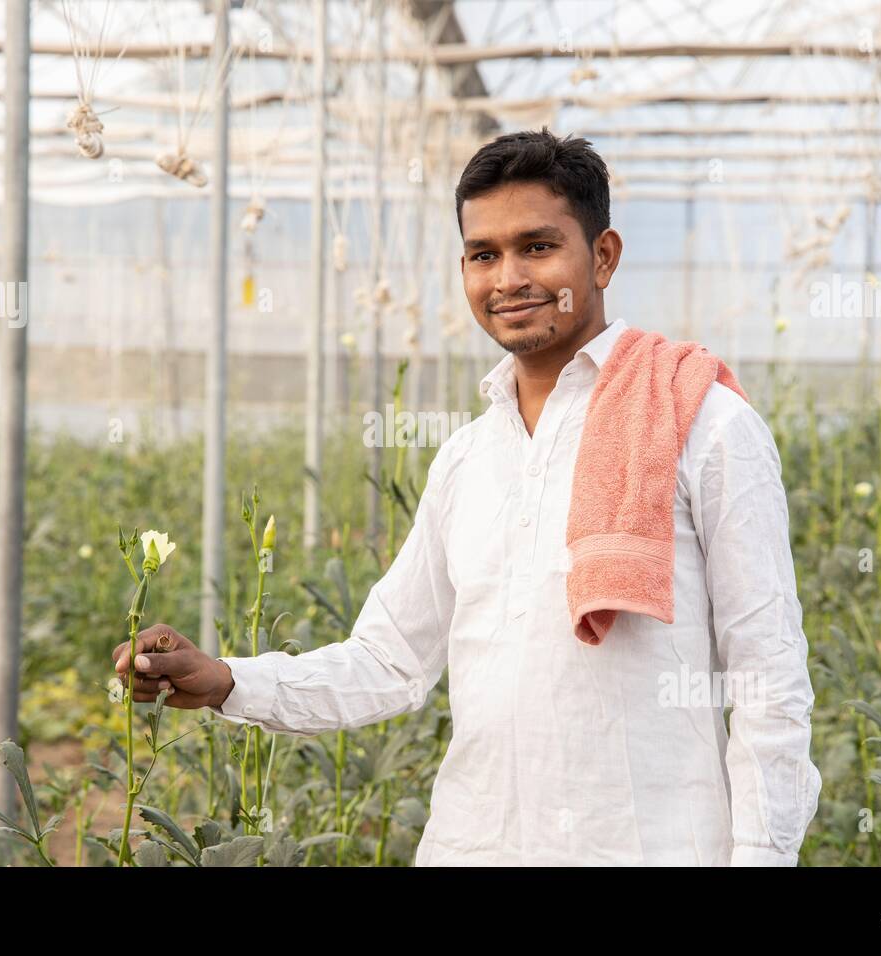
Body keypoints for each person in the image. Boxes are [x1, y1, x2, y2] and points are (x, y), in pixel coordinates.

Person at [113, 128, 822, 866]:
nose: (508, 277)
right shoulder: (466, 458)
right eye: (484, 255)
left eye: (538, 247)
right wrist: (231, 681)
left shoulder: (703, 424)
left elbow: (768, 679)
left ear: (603, 256)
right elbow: (389, 660)